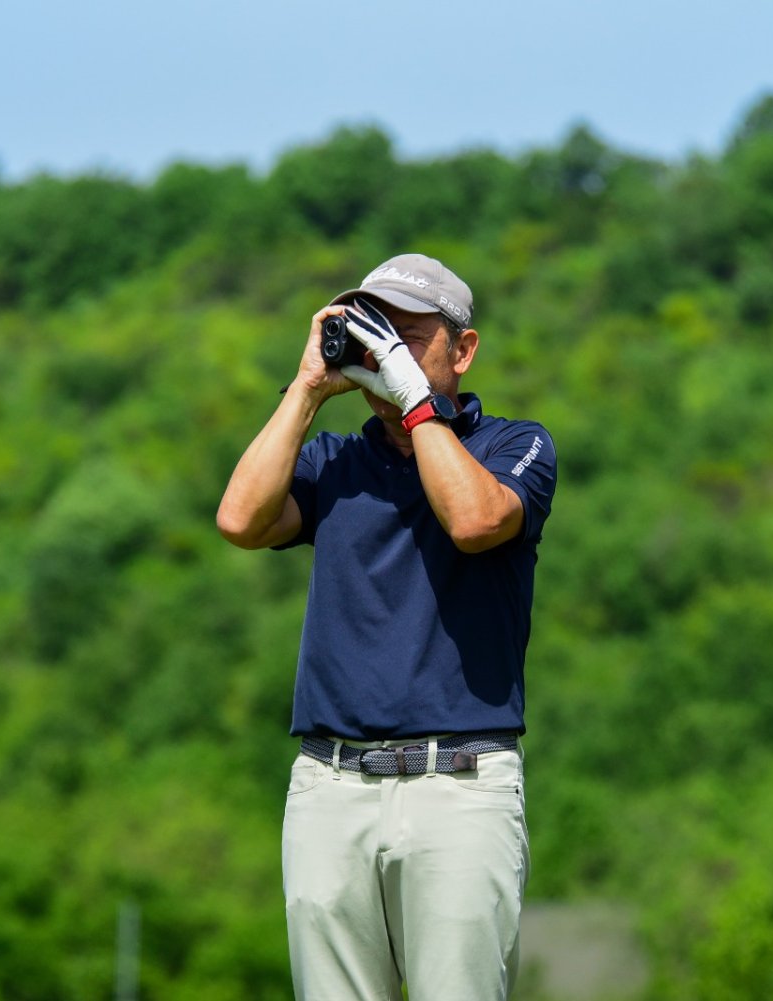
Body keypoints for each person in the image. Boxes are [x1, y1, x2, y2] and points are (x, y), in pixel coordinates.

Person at [216, 253, 557, 1001]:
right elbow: (240, 520)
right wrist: (308, 388)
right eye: (377, 333)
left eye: (408, 335)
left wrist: (415, 403)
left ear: (463, 350)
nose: (387, 351)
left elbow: (474, 521)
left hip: (459, 786)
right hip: (329, 785)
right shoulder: (334, 462)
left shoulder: (513, 447)